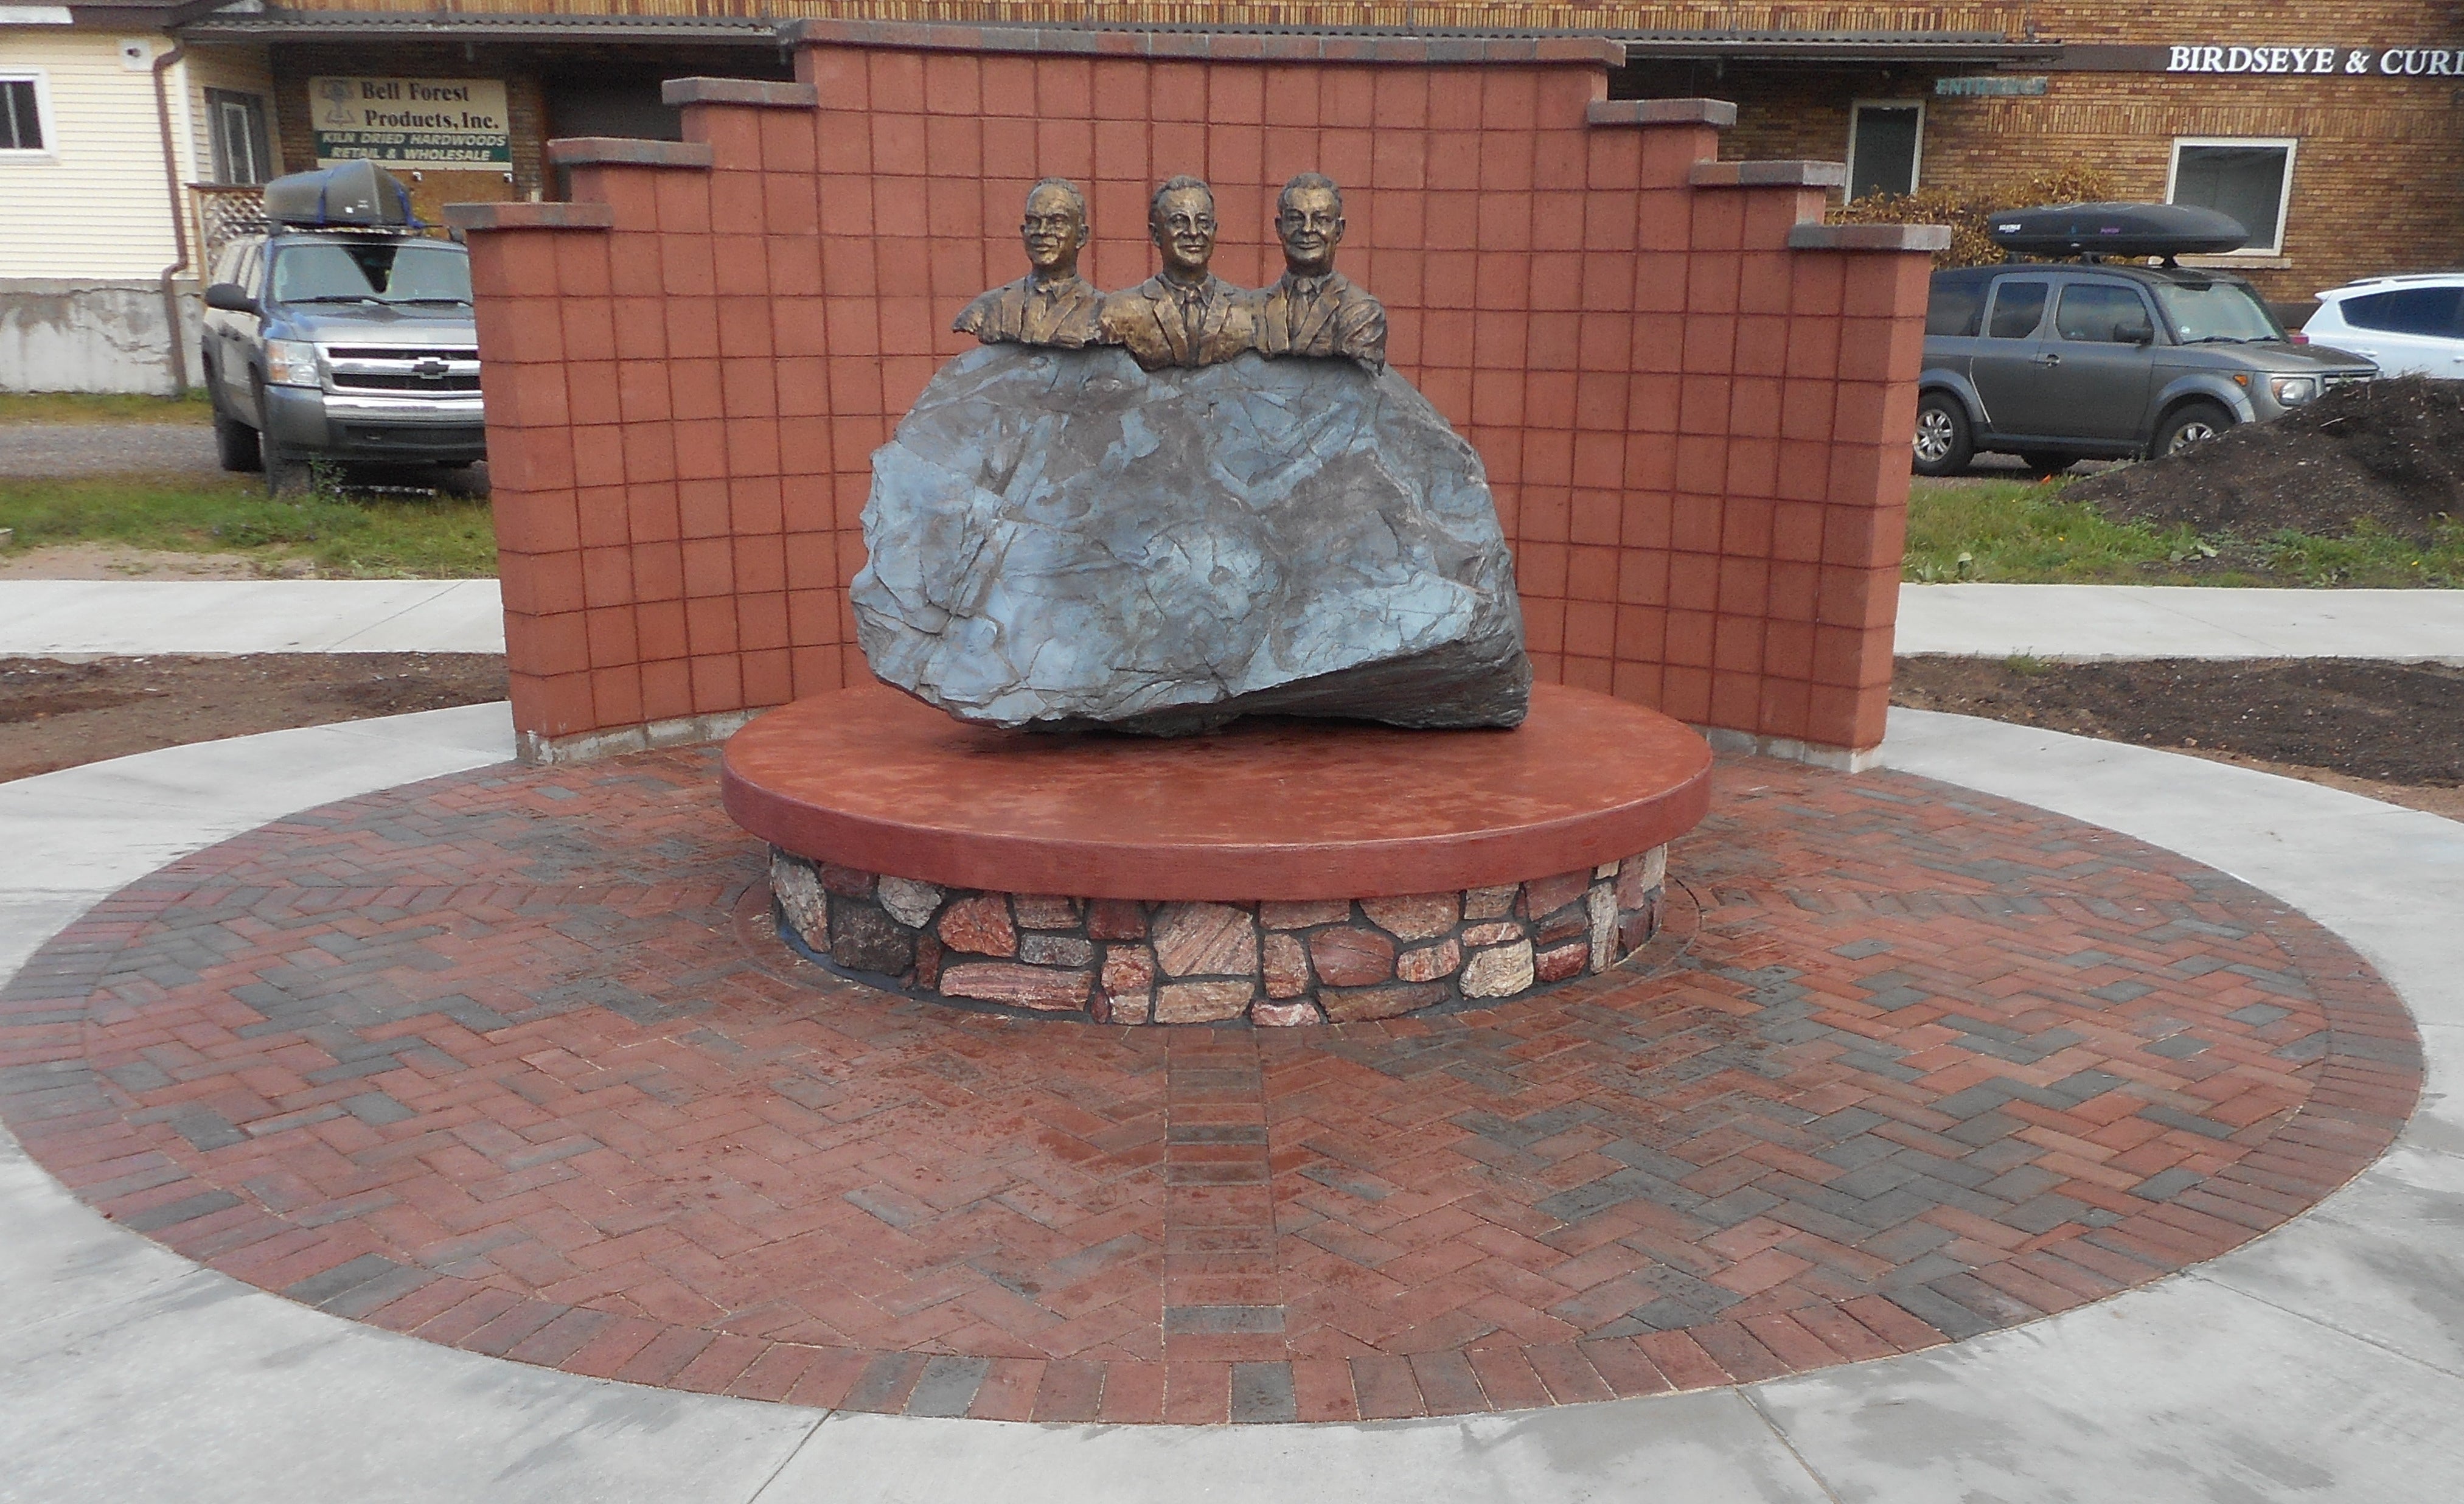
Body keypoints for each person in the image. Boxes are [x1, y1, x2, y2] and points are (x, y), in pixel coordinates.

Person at [1099, 176, 1253, 370]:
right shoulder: (1120, 311)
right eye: (1179, 222)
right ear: (1156, 235)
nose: (1193, 232)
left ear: (1215, 231)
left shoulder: (1247, 310)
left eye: (1203, 223)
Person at [1251, 172, 1386, 372]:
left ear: (1339, 230)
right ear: (1279, 228)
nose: (1307, 229)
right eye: (1296, 219)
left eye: (1321, 220)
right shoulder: (1253, 308)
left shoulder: (1363, 313)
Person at [952, 178, 1105, 348]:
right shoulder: (988, 307)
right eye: (1034, 222)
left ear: (1081, 236)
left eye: (1057, 222)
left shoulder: (1101, 311)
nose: (1042, 231)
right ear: (1023, 232)